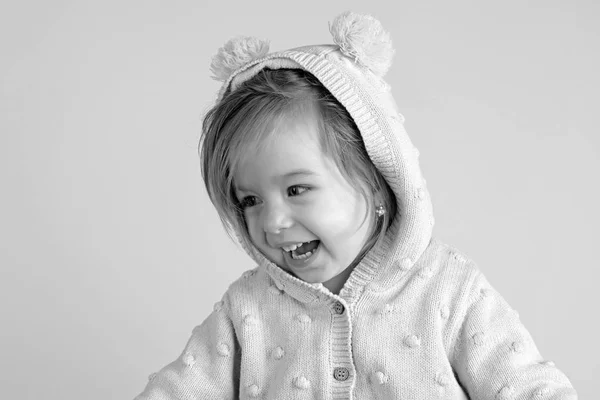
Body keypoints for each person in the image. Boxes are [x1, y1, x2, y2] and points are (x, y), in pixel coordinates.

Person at [134, 11, 577, 400]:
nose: (271, 221)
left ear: (378, 179)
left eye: (296, 189)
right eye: (248, 200)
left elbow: (530, 388)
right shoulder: (246, 308)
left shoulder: (449, 290)